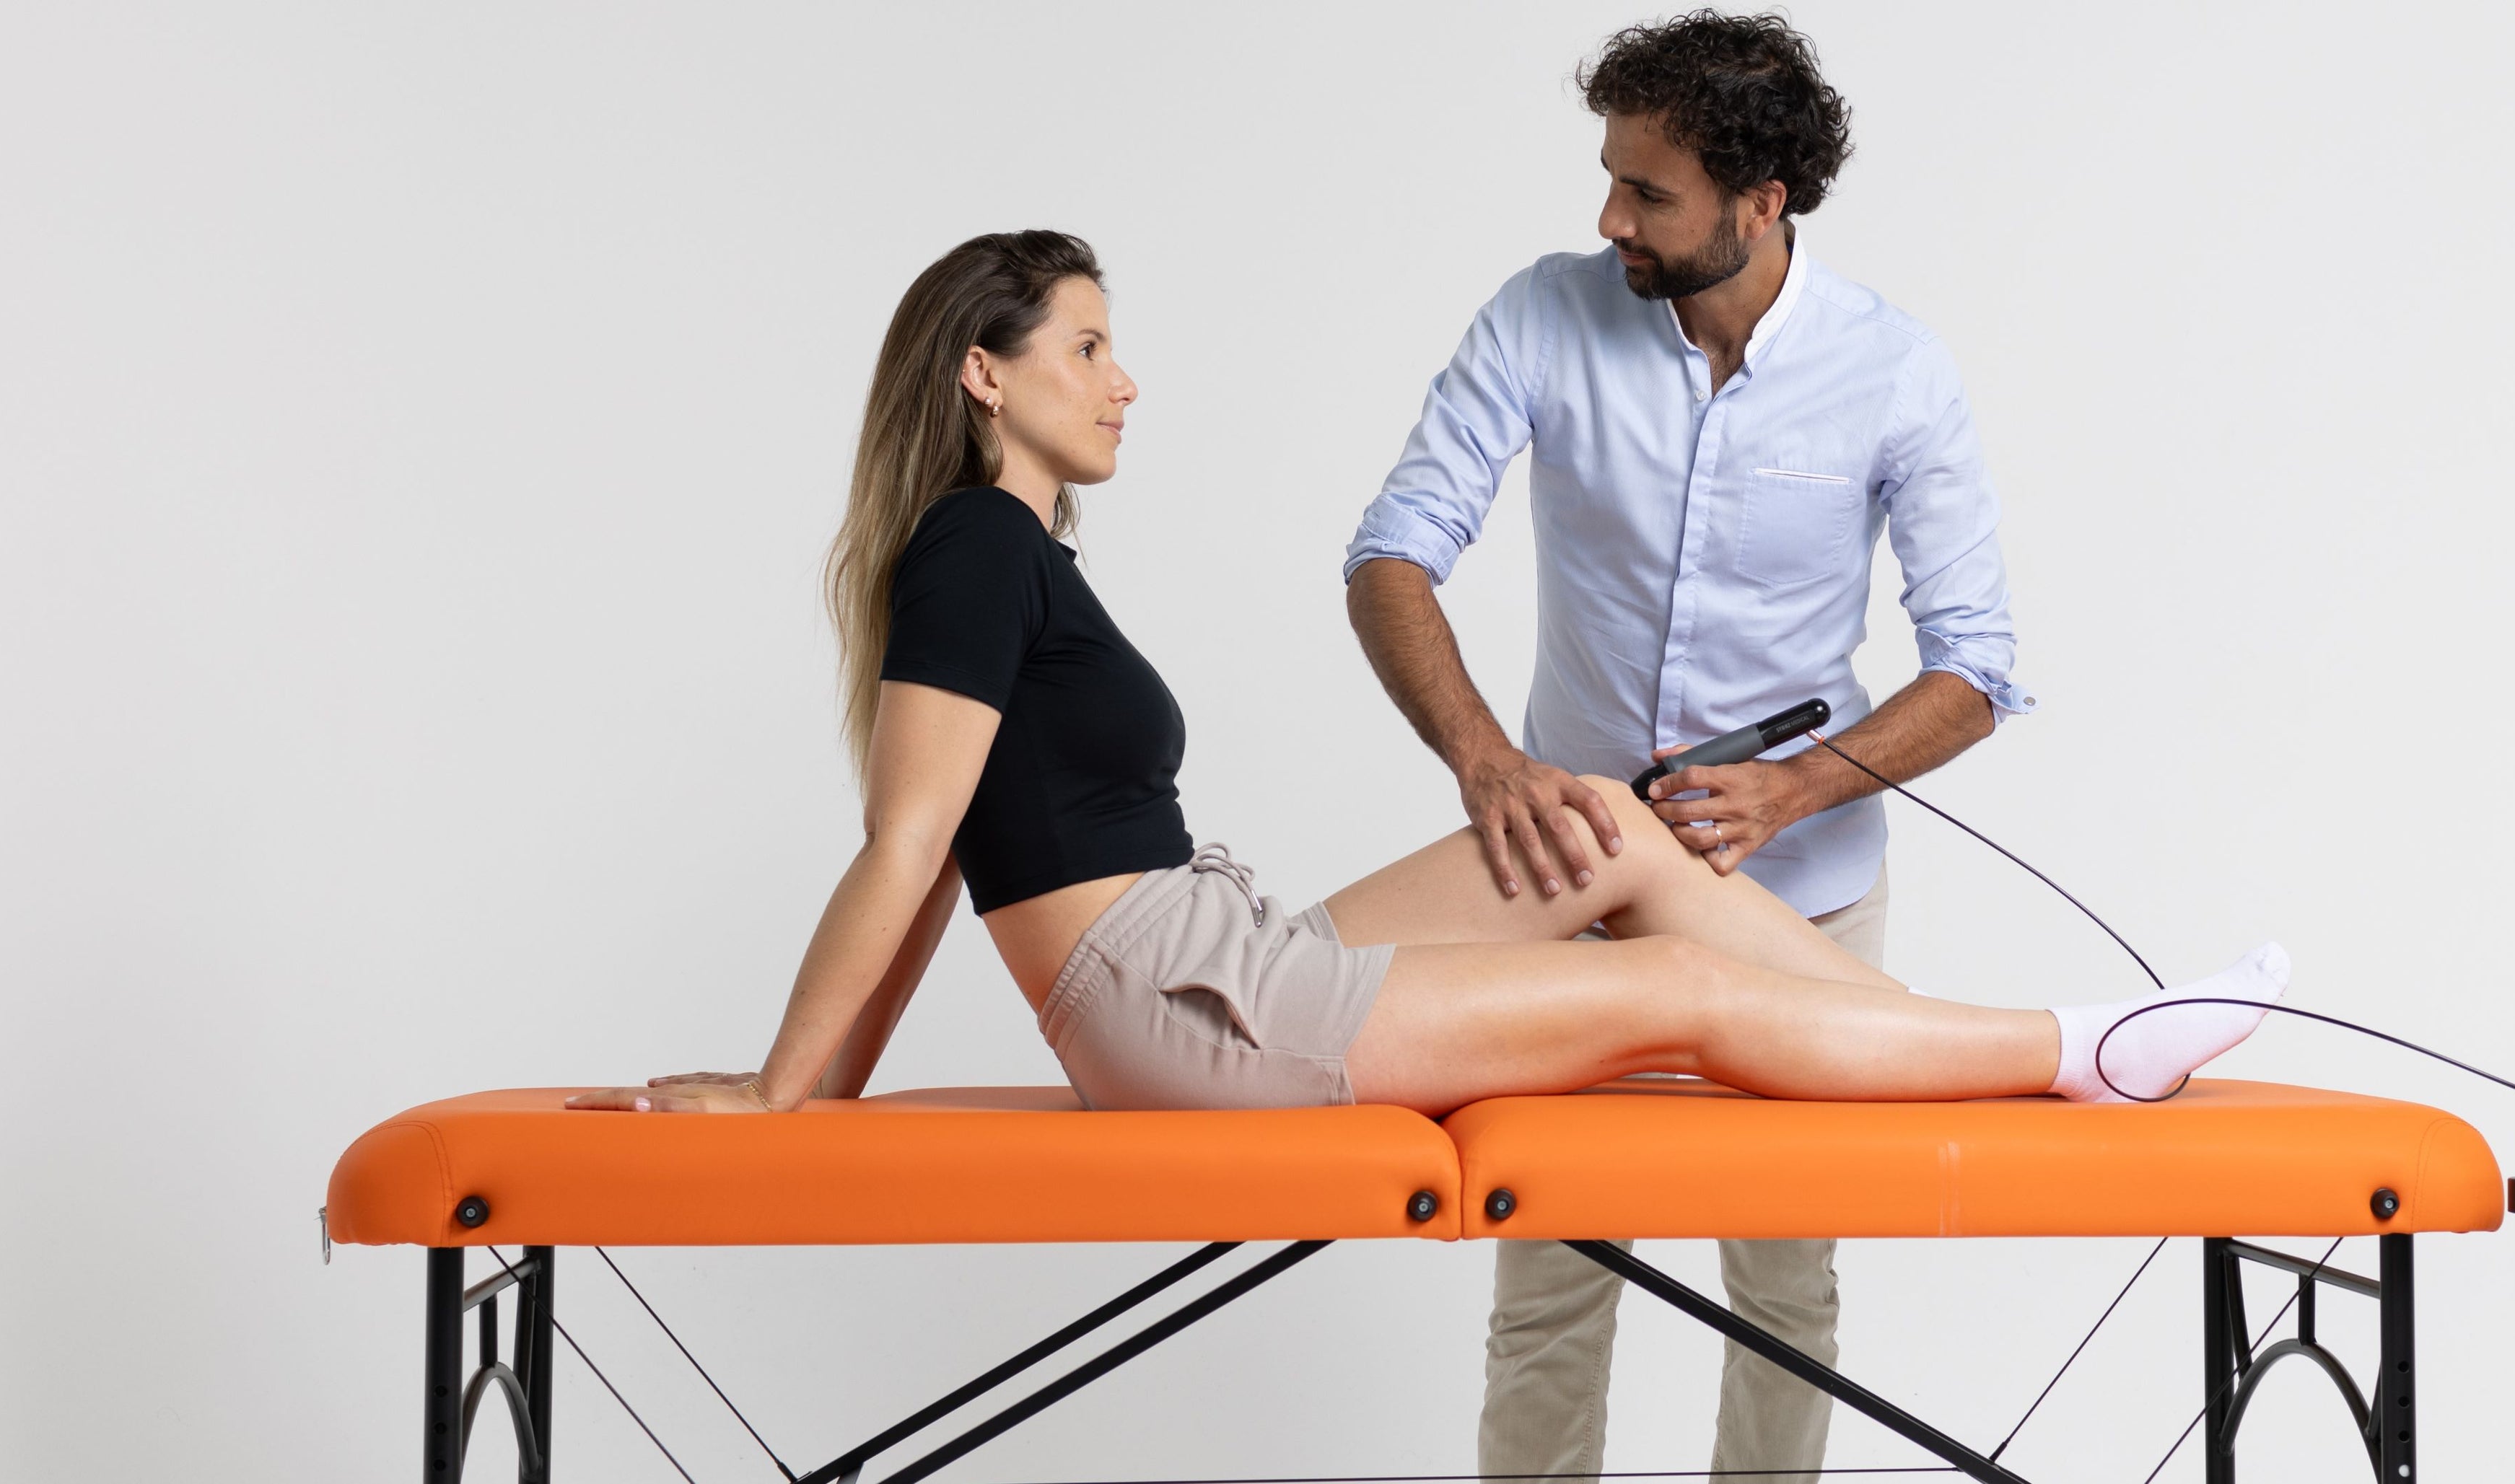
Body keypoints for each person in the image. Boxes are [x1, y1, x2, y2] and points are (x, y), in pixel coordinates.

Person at [567, 229, 2279, 1136]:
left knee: (1603, 827)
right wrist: (788, 1090)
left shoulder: (1010, 555)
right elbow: (909, 842)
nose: (1125, 380)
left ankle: (1986, 1048)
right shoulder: (972, 548)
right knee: (1671, 998)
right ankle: (2072, 1051)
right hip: (1179, 1009)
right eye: (1087, 346)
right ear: (984, 376)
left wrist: (826, 1087)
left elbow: (942, 858)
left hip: (1207, 960)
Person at [1334, 14, 2029, 1481]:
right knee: (1549, 1274)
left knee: (1785, 1287)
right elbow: (1393, 554)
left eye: (1648, 192)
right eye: (1611, 177)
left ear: (1761, 201)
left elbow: (1975, 667)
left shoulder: (1894, 370)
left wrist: (1797, 787)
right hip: (1573, 884)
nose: (1611, 217)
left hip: (1801, 894)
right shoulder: (1542, 315)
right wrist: (1487, 763)